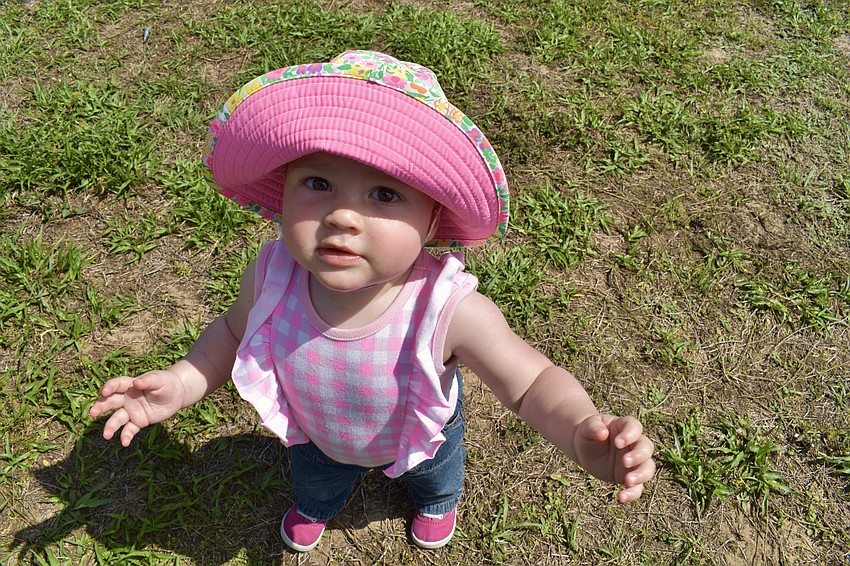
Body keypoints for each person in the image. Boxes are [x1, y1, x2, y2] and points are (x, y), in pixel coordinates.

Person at [89, 50, 655, 552]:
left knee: (434, 474)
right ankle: (318, 505)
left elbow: (531, 382)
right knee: (315, 477)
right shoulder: (271, 274)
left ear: (432, 220)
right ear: (282, 189)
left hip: (419, 436)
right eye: (317, 183)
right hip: (316, 434)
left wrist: (582, 430)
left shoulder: (446, 308)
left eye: (384, 194)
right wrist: (186, 379)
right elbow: (233, 334)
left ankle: (436, 501)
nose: (340, 215)